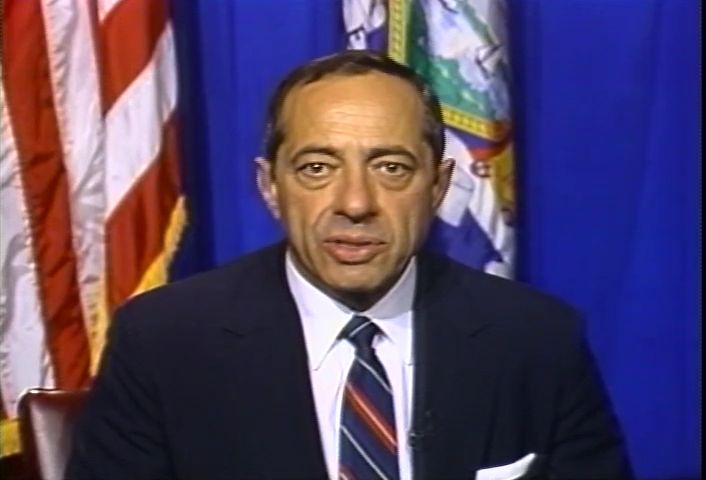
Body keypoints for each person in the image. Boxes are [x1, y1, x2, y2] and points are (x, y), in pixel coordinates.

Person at [66, 50, 633, 480]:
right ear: (269, 186)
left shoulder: (537, 339)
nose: (355, 203)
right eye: (317, 168)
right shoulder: (164, 342)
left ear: (438, 186)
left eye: (391, 168)